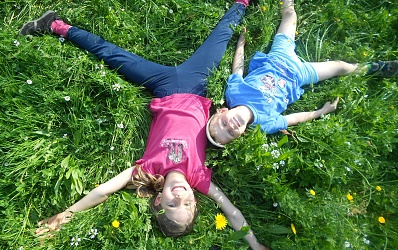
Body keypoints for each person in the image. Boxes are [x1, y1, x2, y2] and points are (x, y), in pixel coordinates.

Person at [19, 2, 268, 249]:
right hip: (195, 85)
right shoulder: (198, 176)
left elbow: (104, 190)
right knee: (221, 37)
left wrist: (65, 216)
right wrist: (255, 245)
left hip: (163, 86)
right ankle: (241, 4)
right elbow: (231, 211)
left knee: (111, 54)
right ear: (195, 199)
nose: (180, 197)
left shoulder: (147, 169)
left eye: (172, 205)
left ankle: (54, 24)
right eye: (187, 204)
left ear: (159, 199)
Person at [206, 0, 398, 148]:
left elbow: (237, 69)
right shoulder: (264, 125)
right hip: (299, 75)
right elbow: (293, 118)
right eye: (230, 133)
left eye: (223, 124)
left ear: (223, 111)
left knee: (290, 14)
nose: (230, 127)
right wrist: (322, 112)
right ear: (241, 135)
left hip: (279, 56)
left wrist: (241, 43)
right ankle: (377, 68)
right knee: (340, 66)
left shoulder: (233, 93)